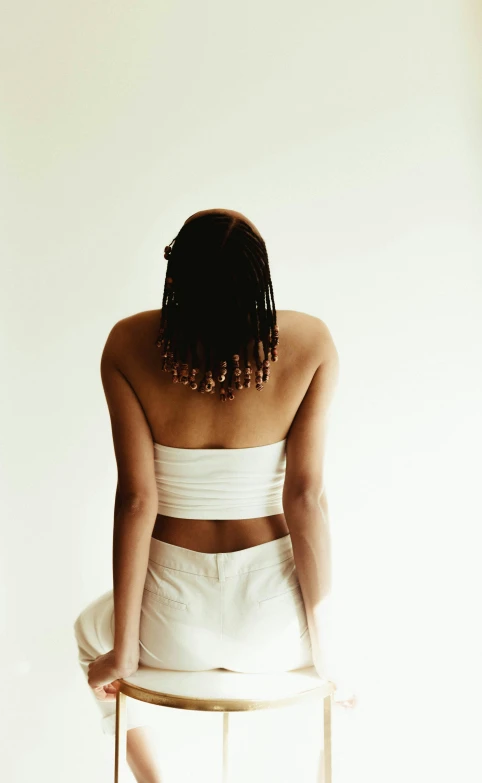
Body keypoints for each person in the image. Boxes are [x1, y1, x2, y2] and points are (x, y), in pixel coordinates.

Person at [73, 208, 356, 783]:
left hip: (169, 624)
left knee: (87, 630)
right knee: (351, 655)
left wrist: (124, 652)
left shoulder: (128, 344)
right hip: (276, 626)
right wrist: (331, 657)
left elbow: (136, 501)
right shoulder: (310, 342)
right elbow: (304, 499)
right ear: (259, 282)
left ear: (175, 276)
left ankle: (155, 781)